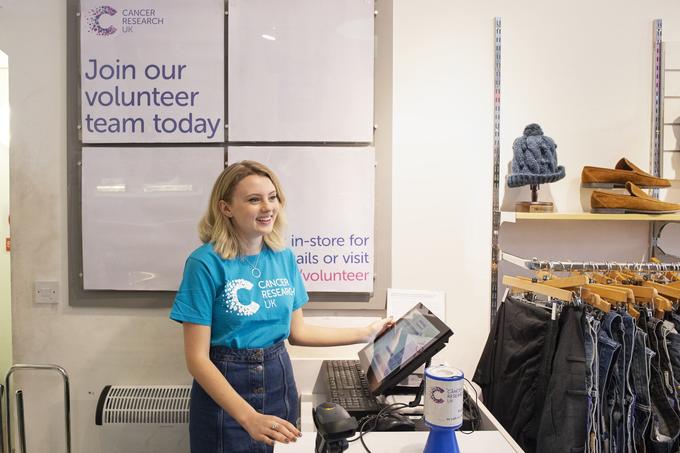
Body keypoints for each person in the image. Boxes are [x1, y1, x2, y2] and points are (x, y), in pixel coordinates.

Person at [169, 160, 393, 453]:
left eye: (272, 197)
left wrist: (367, 332)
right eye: (254, 199)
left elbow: (297, 332)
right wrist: (248, 417)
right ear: (226, 208)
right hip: (226, 393)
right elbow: (197, 360)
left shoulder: (283, 257)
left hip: (279, 381)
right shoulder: (204, 264)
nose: (268, 207)